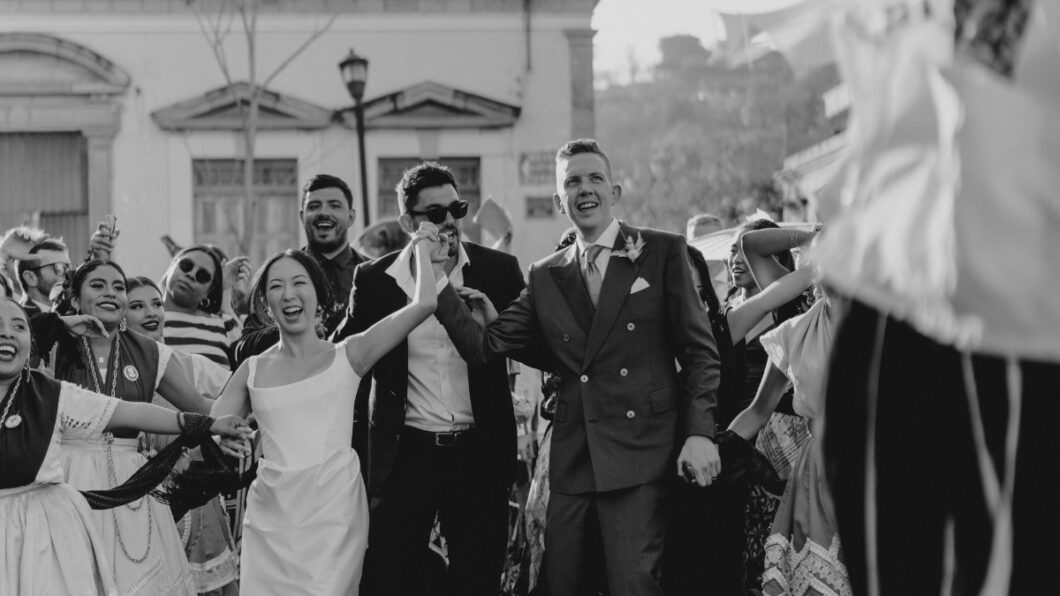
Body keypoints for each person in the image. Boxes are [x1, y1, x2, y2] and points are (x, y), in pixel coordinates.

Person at [434, 138, 721, 596]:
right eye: (572, 181)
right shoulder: (544, 273)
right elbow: (485, 348)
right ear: (558, 200)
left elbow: (701, 354)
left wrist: (700, 433)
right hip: (573, 457)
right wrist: (436, 279)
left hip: (642, 451)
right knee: (560, 583)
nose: (584, 189)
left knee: (633, 585)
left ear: (615, 192)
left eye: (594, 178)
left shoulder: (663, 251)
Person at [331, 161, 529, 596]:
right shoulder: (376, 281)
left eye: (456, 208)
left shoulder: (499, 270)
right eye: (435, 213)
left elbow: (531, 346)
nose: (450, 221)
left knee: (476, 580)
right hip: (405, 455)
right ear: (408, 222)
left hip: (479, 451)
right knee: (390, 576)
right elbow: (341, 359)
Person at [210, 226, 442, 596]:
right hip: (271, 519)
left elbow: (424, 304)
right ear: (265, 303)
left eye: (299, 282)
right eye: (276, 286)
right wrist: (225, 437)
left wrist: (422, 252)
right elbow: (214, 427)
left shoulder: (349, 354)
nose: (289, 294)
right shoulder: (251, 370)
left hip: (334, 512)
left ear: (318, 293)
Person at [0, 295, 250, 596]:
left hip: (38, 537)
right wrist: (60, 322)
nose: (7, 334)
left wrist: (206, 424)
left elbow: (129, 411)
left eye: (19, 327)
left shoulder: (51, 395)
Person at [44, 259, 216, 595]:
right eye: (98, 285)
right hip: (68, 478)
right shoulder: (53, 346)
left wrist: (258, 398)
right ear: (76, 299)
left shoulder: (150, 352)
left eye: (118, 287)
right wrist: (62, 324)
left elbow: (201, 407)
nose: (110, 293)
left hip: (134, 484)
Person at [728, 285, 850, 596]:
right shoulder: (795, 332)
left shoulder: (895, 327)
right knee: (817, 584)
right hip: (818, 472)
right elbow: (758, 411)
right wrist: (718, 447)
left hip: (878, 465)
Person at [126, 276, 240, 596]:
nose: (151, 312)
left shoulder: (188, 364)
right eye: (137, 306)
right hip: (134, 503)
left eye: (156, 303)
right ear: (120, 316)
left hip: (191, 501)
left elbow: (230, 398)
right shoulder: (109, 371)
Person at [233, 174, 369, 362]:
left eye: (334, 205)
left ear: (351, 217)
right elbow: (242, 349)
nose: (324, 212)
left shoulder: (375, 275)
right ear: (302, 216)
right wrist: (287, 329)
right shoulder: (276, 274)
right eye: (314, 206)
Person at [161, 246, 241, 370]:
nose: (191, 275)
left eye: (202, 276)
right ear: (172, 266)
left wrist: (224, 297)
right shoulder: (142, 315)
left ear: (209, 290)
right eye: (186, 265)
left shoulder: (225, 324)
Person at [15, 237, 70, 316]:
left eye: (69, 267)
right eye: (59, 268)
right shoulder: (19, 317)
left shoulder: (74, 311)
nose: (68, 273)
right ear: (30, 278)